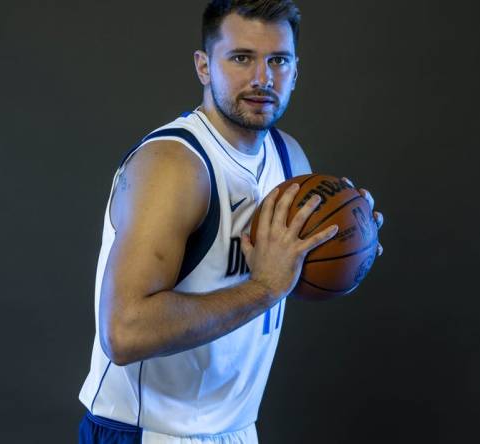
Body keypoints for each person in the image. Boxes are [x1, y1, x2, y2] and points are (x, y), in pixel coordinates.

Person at [78, 1, 383, 442]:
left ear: (296, 71)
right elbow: (124, 332)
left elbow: (290, 271)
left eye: (278, 60)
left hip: (236, 428)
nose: (262, 77)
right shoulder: (175, 166)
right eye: (241, 58)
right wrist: (265, 289)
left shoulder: (289, 158)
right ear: (204, 66)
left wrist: (353, 244)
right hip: (147, 430)